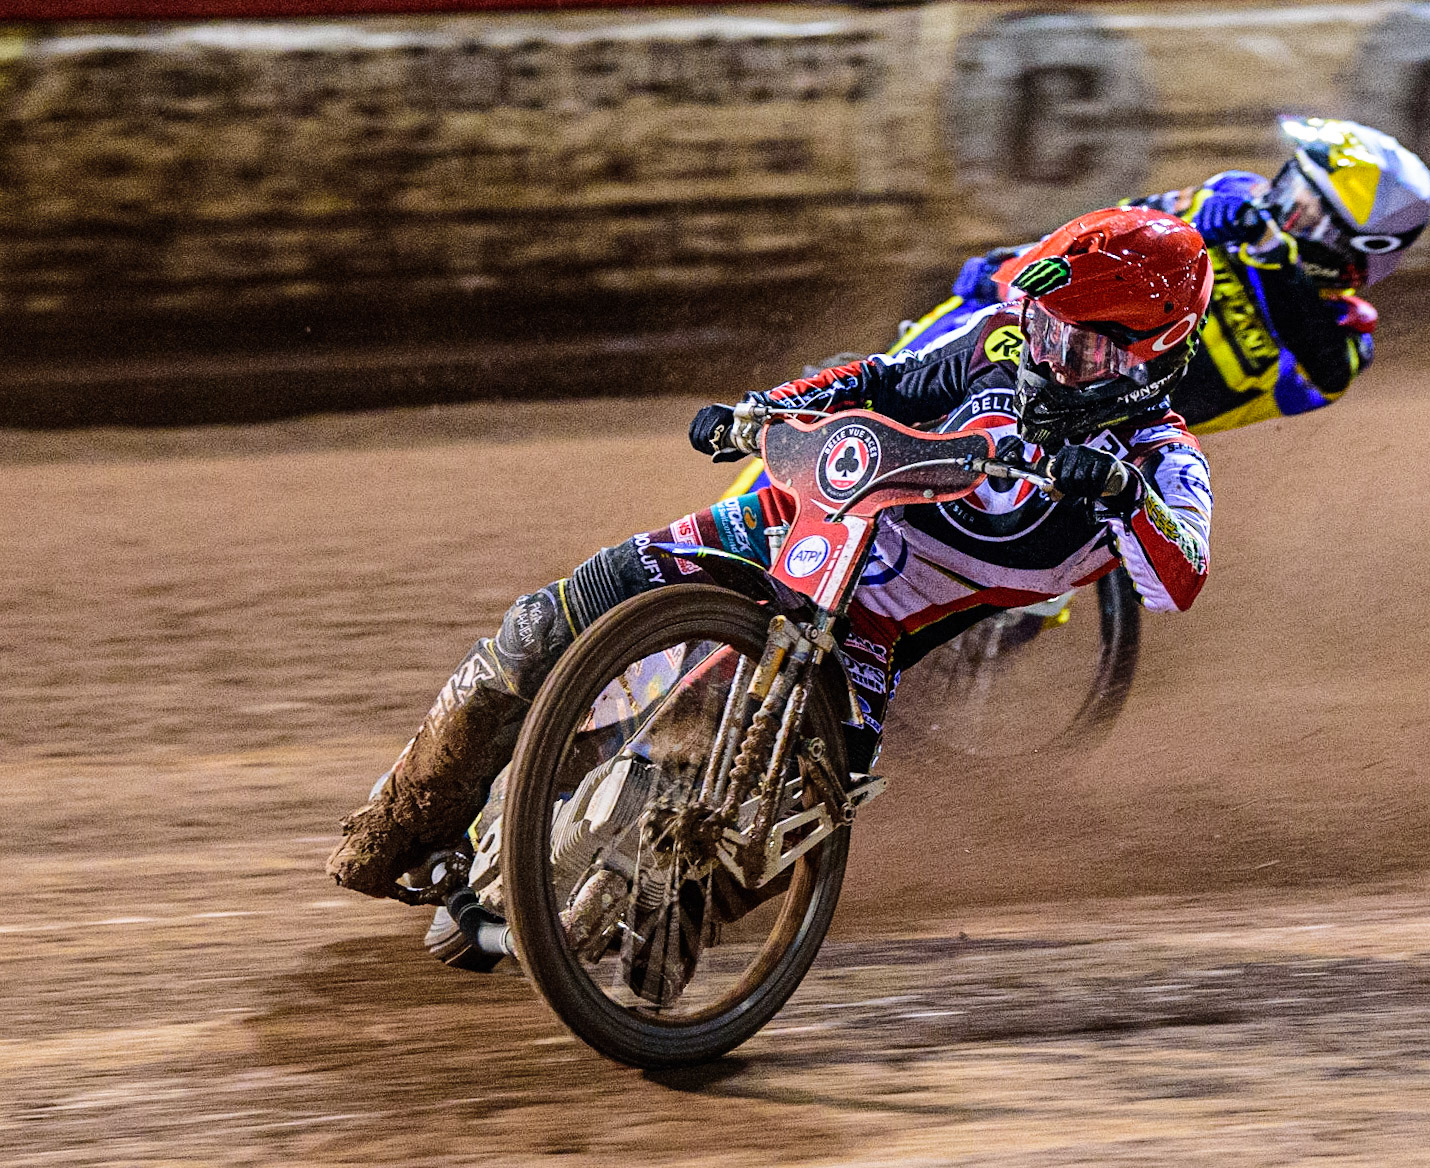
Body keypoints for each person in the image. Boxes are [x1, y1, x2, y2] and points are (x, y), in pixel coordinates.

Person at [326, 206, 1217, 899]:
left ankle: (645, 951)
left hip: (872, 631)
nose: (1047, 357)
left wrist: (1122, 493)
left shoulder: (1164, 463)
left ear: (1152, 357)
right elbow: (883, 378)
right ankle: (401, 819)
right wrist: (764, 410)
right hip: (792, 524)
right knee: (541, 627)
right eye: (1045, 327)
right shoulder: (997, 342)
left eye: (1079, 345)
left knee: (770, 836)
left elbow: (1180, 577)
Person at [946, 117, 1430, 436]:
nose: (1277, 206)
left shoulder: (1344, 340)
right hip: (1033, 343)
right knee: (926, 350)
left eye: (1302, 213)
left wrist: (1271, 254)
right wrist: (1021, 261)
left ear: (1350, 248)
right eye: (1290, 184)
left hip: (1093, 437)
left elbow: (1324, 373)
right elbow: (1114, 227)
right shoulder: (1235, 194)